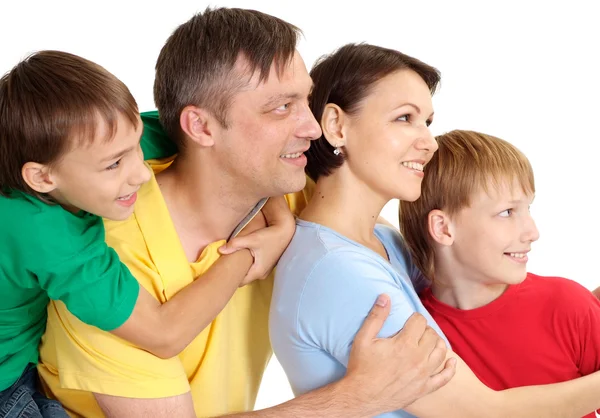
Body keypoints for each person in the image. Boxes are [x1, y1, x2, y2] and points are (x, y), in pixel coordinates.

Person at [38, 8, 455, 418]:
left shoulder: (288, 189)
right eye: (280, 107)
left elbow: (378, 239)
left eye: (305, 100)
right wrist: (355, 398)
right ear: (201, 128)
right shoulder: (110, 273)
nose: (311, 128)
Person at [270, 42, 600, 418]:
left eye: (426, 122)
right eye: (404, 118)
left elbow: (467, 289)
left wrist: (573, 309)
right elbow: (484, 412)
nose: (428, 143)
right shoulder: (339, 272)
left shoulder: (380, 242)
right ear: (336, 125)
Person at [0, 49, 295, 418]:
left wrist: (280, 218)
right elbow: (163, 335)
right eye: (114, 165)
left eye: (135, 146)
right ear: (42, 178)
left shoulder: (104, 139)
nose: (142, 174)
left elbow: (239, 149)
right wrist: (246, 254)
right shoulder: (46, 235)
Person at [399, 129, 600, 418]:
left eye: (527, 208)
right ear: (443, 228)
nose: (532, 232)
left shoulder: (566, 304)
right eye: (507, 212)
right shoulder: (418, 332)